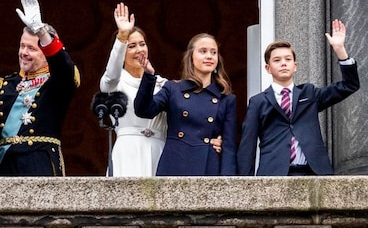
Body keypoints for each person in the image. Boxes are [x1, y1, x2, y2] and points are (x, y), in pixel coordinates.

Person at [237, 19, 360, 176]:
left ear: (295, 66)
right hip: (274, 173)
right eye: (277, 60)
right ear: (268, 68)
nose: (283, 63)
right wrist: (245, 183)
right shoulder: (258, 102)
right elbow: (248, 144)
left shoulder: (309, 93)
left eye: (288, 59)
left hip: (313, 172)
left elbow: (350, 85)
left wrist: (340, 50)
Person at [0, 0, 79, 176]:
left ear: (46, 55)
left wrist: (42, 32)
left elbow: (64, 68)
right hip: (4, 165)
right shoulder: (3, 85)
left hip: (40, 163)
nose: (24, 52)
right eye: (22, 46)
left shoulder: (57, 82)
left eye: (31, 48)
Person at [133, 33, 237, 176]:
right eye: (203, 51)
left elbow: (229, 147)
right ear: (191, 57)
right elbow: (143, 110)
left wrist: (229, 182)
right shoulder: (173, 89)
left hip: (208, 168)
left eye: (214, 52)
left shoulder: (226, 99)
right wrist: (149, 76)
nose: (209, 56)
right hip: (175, 163)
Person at [98, 3, 168, 176]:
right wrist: (122, 36)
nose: (139, 50)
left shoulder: (163, 84)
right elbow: (110, 75)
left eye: (142, 44)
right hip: (127, 152)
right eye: (131, 46)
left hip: (160, 151)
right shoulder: (115, 84)